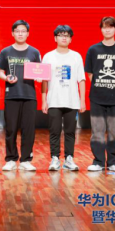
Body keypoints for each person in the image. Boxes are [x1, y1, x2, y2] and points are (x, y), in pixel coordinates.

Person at [85, 16, 115, 172]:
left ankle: (113, 162)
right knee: (97, 132)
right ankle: (98, 162)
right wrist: (101, 86)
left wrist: (114, 86)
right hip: (96, 98)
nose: (107, 30)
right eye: (104, 27)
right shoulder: (93, 49)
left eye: (110, 27)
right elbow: (90, 73)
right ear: (101, 29)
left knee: (114, 132)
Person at [0, 20, 41, 172]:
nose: (20, 33)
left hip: (29, 96)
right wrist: (6, 78)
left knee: (28, 130)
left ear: (28, 33)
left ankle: (26, 160)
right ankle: (11, 159)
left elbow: (40, 71)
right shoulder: (5, 52)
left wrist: (40, 77)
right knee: (11, 129)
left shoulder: (34, 52)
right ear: (13, 33)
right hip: (11, 95)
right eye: (17, 31)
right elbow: (0, 72)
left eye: (23, 31)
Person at [41, 25, 86, 171]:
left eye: (67, 35)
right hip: (54, 100)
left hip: (72, 101)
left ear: (71, 39)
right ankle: (55, 158)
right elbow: (44, 80)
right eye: (60, 35)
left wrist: (82, 101)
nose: (64, 38)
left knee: (70, 131)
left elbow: (81, 79)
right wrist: (44, 100)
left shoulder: (76, 56)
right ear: (55, 38)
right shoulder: (48, 56)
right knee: (54, 131)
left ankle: (69, 159)